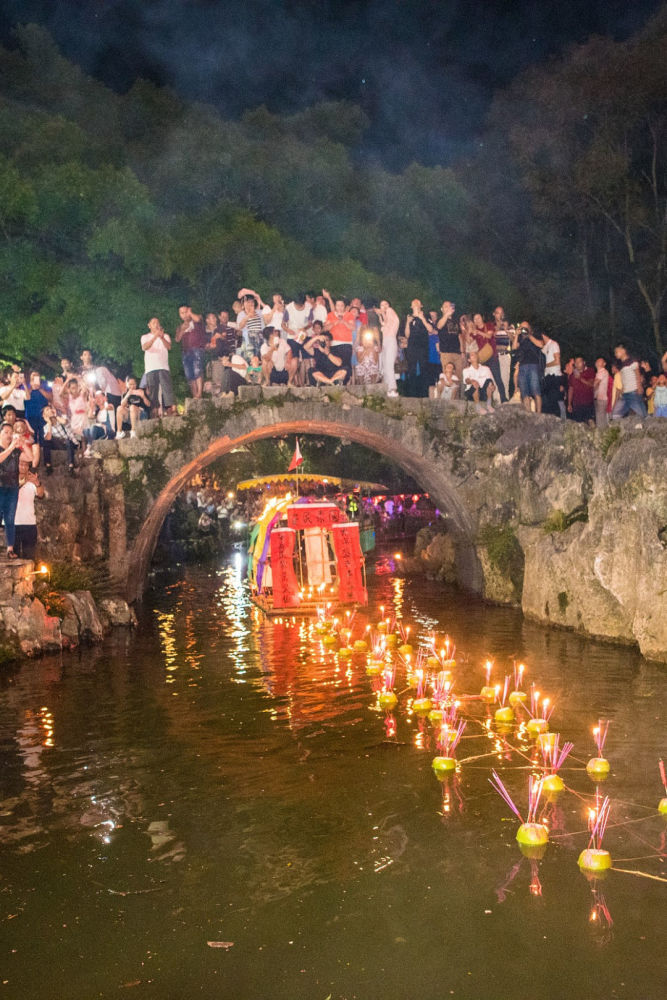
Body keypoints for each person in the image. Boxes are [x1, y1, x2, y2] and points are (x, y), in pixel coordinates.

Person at [141, 317, 176, 416]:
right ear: (149, 325)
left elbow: (169, 347)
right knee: (153, 391)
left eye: (157, 322)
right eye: (153, 323)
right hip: (150, 368)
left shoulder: (165, 336)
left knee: (167, 389)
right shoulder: (145, 337)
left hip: (163, 366)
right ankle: (154, 413)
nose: (156, 324)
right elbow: (144, 347)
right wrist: (155, 336)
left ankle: (170, 410)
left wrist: (161, 337)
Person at [14, 460, 44, 561]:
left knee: (30, 556)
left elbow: (41, 495)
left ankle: (28, 576)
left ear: (28, 467)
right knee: (14, 556)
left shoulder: (32, 483)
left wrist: (37, 483)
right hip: (13, 524)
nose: (23, 467)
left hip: (29, 523)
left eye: (25, 465)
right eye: (21, 464)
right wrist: (24, 481)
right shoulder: (9, 479)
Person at [0, 421, 22, 559]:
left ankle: (10, 548)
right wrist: (11, 447)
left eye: (10, 432)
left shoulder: (15, 450)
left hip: (12, 487)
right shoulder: (6, 449)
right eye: (6, 432)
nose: (9, 435)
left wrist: (22, 443)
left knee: (10, 519)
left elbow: (30, 458)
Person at [175, 305, 207, 399]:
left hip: (197, 349)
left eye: (186, 312)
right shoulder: (180, 326)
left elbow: (198, 319)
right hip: (186, 351)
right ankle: (194, 394)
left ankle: (199, 394)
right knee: (189, 374)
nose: (184, 315)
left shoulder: (197, 319)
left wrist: (191, 313)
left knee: (198, 371)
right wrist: (182, 330)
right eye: (182, 313)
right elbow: (177, 339)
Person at [513, 323, 544, 413]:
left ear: (530, 328)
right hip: (522, 367)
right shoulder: (520, 338)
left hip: (533, 365)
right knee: (524, 393)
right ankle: (529, 415)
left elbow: (541, 345)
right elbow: (514, 347)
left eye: (525, 328)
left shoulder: (535, 335)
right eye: (522, 328)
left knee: (536, 391)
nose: (524, 330)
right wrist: (516, 335)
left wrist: (529, 335)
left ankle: (538, 414)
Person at [404, 299, 432, 397]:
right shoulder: (409, 317)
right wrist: (407, 323)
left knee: (424, 369)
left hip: (423, 347)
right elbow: (407, 335)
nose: (415, 304)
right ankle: (412, 394)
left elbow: (431, 329)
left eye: (418, 303)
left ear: (421, 306)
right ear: (411, 306)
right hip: (412, 347)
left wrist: (422, 318)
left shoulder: (426, 316)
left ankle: (424, 394)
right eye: (413, 303)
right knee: (412, 369)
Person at [612, 344, 647, 419]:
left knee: (641, 413)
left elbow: (637, 374)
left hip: (633, 392)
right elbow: (624, 379)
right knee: (616, 414)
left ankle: (649, 426)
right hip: (625, 393)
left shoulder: (632, 362)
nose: (615, 354)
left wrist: (639, 387)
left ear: (623, 351)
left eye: (616, 351)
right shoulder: (621, 365)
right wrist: (623, 389)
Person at [42, 404, 78, 475]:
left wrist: (55, 415)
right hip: (58, 444)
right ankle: (48, 466)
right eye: (47, 410)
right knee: (46, 441)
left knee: (67, 441)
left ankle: (71, 466)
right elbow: (48, 438)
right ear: (44, 415)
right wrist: (49, 423)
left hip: (68, 443)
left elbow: (65, 422)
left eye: (50, 409)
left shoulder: (60, 420)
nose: (50, 410)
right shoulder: (46, 427)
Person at [437, 301, 463, 382]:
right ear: (442, 309)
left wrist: (462, 351)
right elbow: (439, 326)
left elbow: (459, 336)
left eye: (449, 306)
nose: (448, 308)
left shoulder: (456, 320)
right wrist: (446, 315)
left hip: (457, 353)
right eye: (446, 306)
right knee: (447, 377)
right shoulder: (440, 320)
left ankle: (459, 394)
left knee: (459, 377)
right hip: (446, 353)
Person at [379, 299, 400, 396]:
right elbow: (386, 322)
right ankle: (387, 387)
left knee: (389, 365)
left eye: (385, 304)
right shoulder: (386, 318)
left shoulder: (390, 311)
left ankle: (393, 388)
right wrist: (382, 315)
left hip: (391, 340)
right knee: (385, 366)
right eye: (381, 305)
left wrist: (383, 312)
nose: (384, 306)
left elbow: (389, 318)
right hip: (385, 342)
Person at [567, 356, 595, 423]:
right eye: (576, 362)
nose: (577, 364)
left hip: (588, 404)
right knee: (578, 425)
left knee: (589, 424)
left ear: (584, 362)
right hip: (577, 405)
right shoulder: (572, 375)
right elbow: (571, 389)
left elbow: (591, 384)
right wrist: (569, 403)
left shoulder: (590, 371)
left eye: (579, 362)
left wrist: (580, 378)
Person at [541, 334, 563, 417]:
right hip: (547, 376)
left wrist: (545, 365)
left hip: (554, 376)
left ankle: (557, 423)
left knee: (554, 402)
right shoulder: (544, 347)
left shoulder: (554, 344)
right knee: (547, 402)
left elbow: (557, 361)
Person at [593, 358, 612, 429]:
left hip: (601, 399)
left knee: (600, 420)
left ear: (604, 364)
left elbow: (595, 384)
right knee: (600, 418)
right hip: (599, 398)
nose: (597, 362)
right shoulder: (598, 373)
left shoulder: (602, 371)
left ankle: (601, 434)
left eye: (600, 361)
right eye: (597, 361)